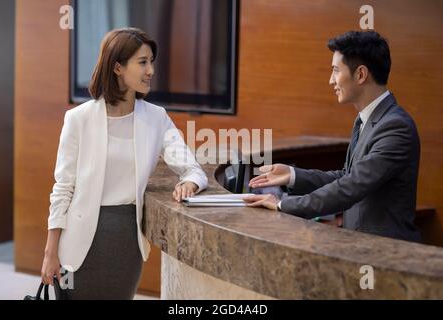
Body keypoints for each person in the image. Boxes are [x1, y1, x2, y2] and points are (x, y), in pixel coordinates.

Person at [41, 28, 208, 299]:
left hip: (126, 242)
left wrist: (189, 182)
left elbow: (193, 169)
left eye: (151, 61)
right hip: (75, 245)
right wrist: (50, 252)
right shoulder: (79, 119)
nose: (151, 70)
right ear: (118, 67)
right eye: (142, 62)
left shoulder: (156, 118)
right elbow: (63, 189)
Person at [244, 31, 421, 242]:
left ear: (361, 75)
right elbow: (347, 176)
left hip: (385, 254)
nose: (331, 81)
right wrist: (292, 175)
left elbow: (351, 186)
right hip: (362, 247)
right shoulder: (366, 120)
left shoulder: (395, 127)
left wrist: (282, 204)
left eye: (336, 71)